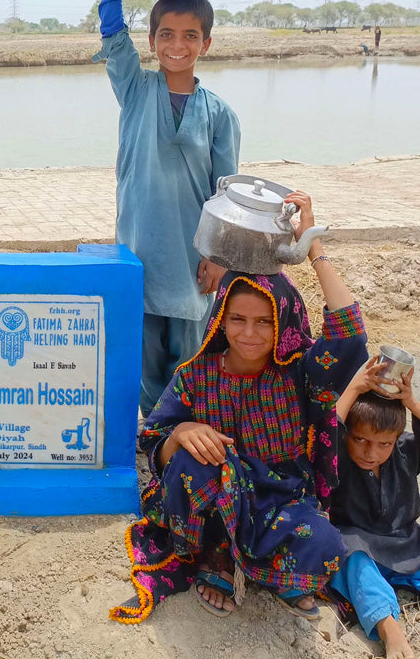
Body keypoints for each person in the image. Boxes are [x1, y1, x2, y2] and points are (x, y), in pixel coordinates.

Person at [110, 192, 368, 624]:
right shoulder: (197, 375)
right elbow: (153, 443)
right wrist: (179, 434)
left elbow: (349, 336)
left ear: (282, 320)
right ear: (220, 320)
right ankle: (217, 559)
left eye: (264, 321)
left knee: (324, 544)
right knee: (196, 463)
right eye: (238, 320)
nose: (249, 333)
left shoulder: (299, 374)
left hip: (278, 504)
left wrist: (314, 247)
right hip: (210, 507)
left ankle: (252, 563)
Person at [93, 0, 241, 416]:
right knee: (141, 356)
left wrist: (219, 256)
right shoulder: (135, 91)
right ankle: (154, 436)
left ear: (207, 43)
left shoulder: (219, 113)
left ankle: (183, 433)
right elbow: (111, 26)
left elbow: (227, 196)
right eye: (167, 35)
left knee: (190, 356)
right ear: (152, 41)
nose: (178, 45)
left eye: (190, 36)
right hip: (138, 250)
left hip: (191, 261)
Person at [327, 356, 420, 659]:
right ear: (347, 435)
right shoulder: (337, 457)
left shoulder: (405, 452)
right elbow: (325, 434)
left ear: (397, 439)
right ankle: (388, 628)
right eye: (361, 439)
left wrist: (411, 402)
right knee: (349, 557)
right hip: (359, 547)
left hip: (407, 546)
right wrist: (354, 388)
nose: (371, 452)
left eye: (384, 444)